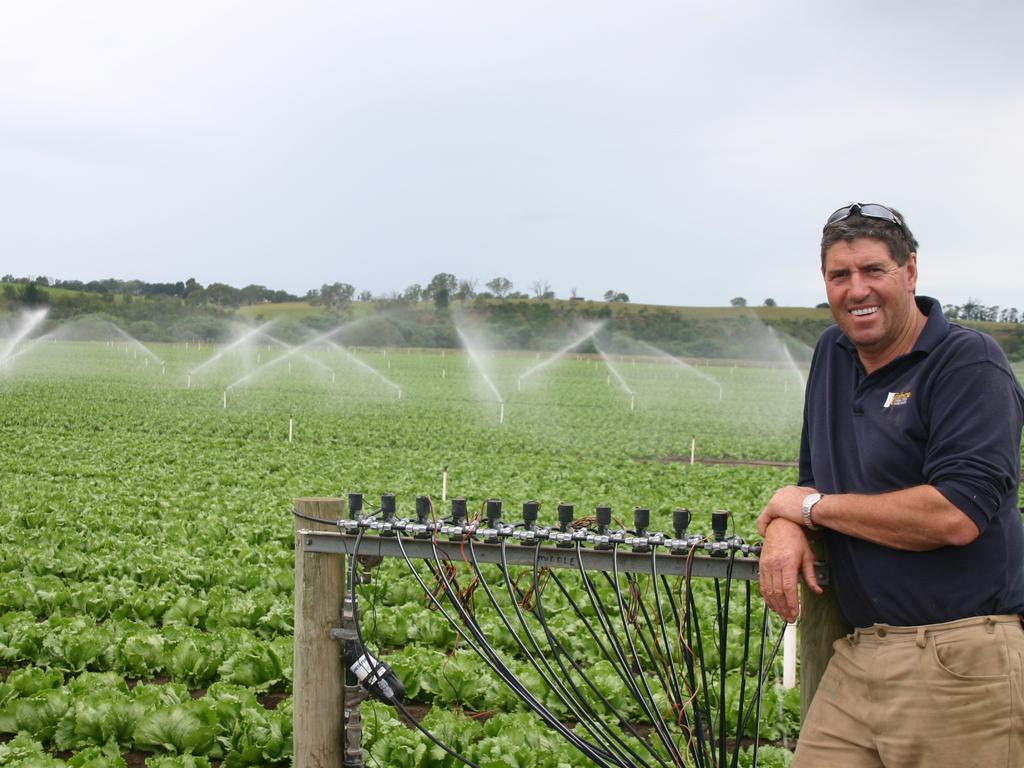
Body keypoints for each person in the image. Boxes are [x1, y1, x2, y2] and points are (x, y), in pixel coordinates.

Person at [756, 202, 1024, 767]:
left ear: (910, 272)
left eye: (873, 270)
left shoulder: (968, 364)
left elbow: (954, 514)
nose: (857, 290)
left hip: (960, 658)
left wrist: (810, 508)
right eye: (839, 275)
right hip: (858, 653)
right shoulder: (833, 353)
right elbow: (812, 479)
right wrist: (786, 522)